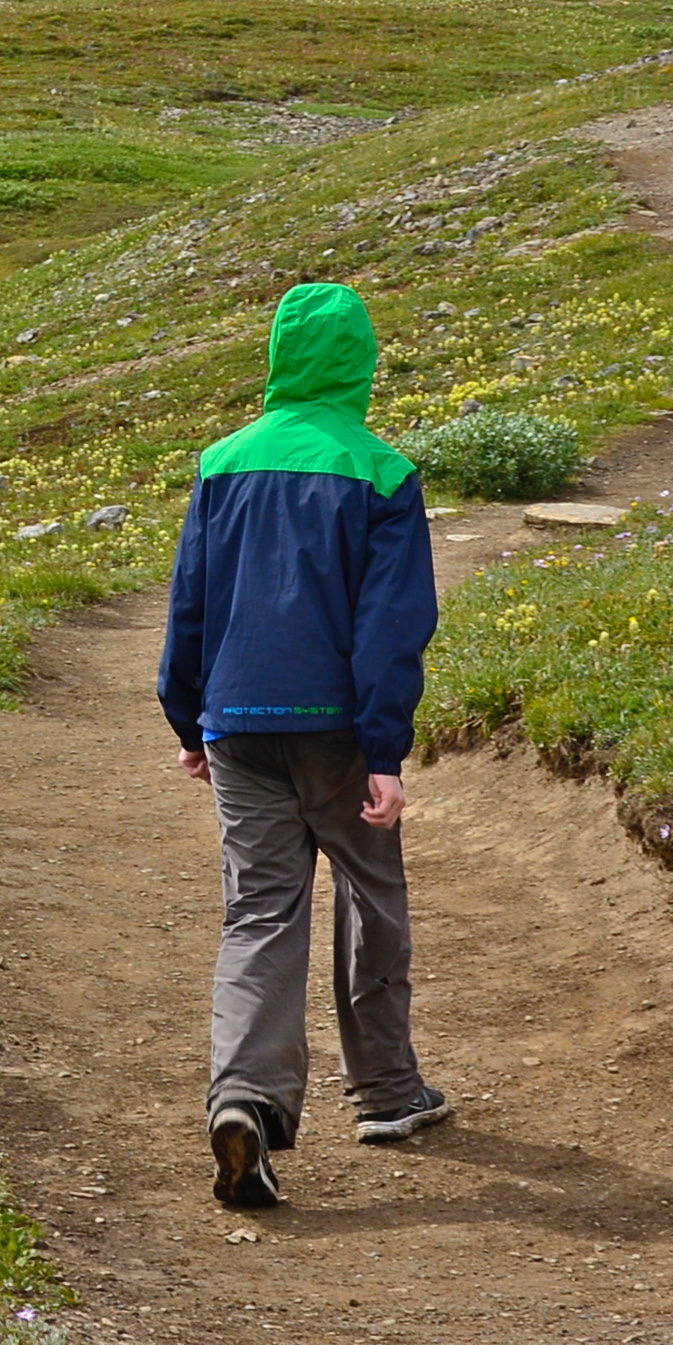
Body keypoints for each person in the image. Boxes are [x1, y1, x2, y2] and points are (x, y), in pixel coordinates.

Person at [156, 280, 449, 1207]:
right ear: (361, 364)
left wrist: (188, 718)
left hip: (236, 723)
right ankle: (389, 1094)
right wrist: (383, 751)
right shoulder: (383, 471)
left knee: (260, 913)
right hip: (335, 730)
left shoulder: (222, 463)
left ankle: (243, 1099)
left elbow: (190, 605)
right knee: (370, 890)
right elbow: (390, 627)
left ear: (278, 357)